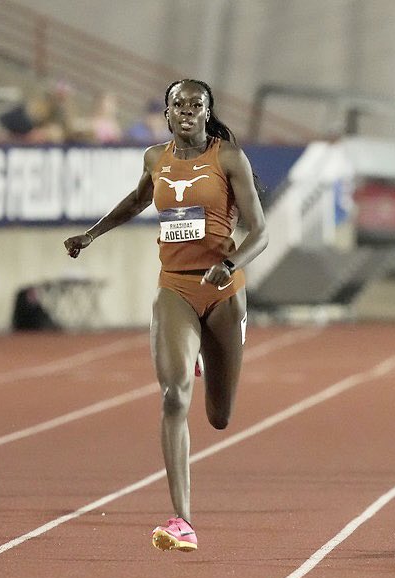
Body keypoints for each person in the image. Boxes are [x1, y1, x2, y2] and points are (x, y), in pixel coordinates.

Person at [64, 79, 267, 551]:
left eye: (197, 105)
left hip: (224, 292)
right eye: (179, 105)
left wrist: (231, 264)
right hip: (174, 289)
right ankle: (182, 520)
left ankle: (200, 353)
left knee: (219, 416)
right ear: (168, 113)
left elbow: (260, 231)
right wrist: (91, 235)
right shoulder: (155, 159)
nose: (188, 112)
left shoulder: (229, 158)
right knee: (175, 396)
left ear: (208, 112)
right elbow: (138, 200)